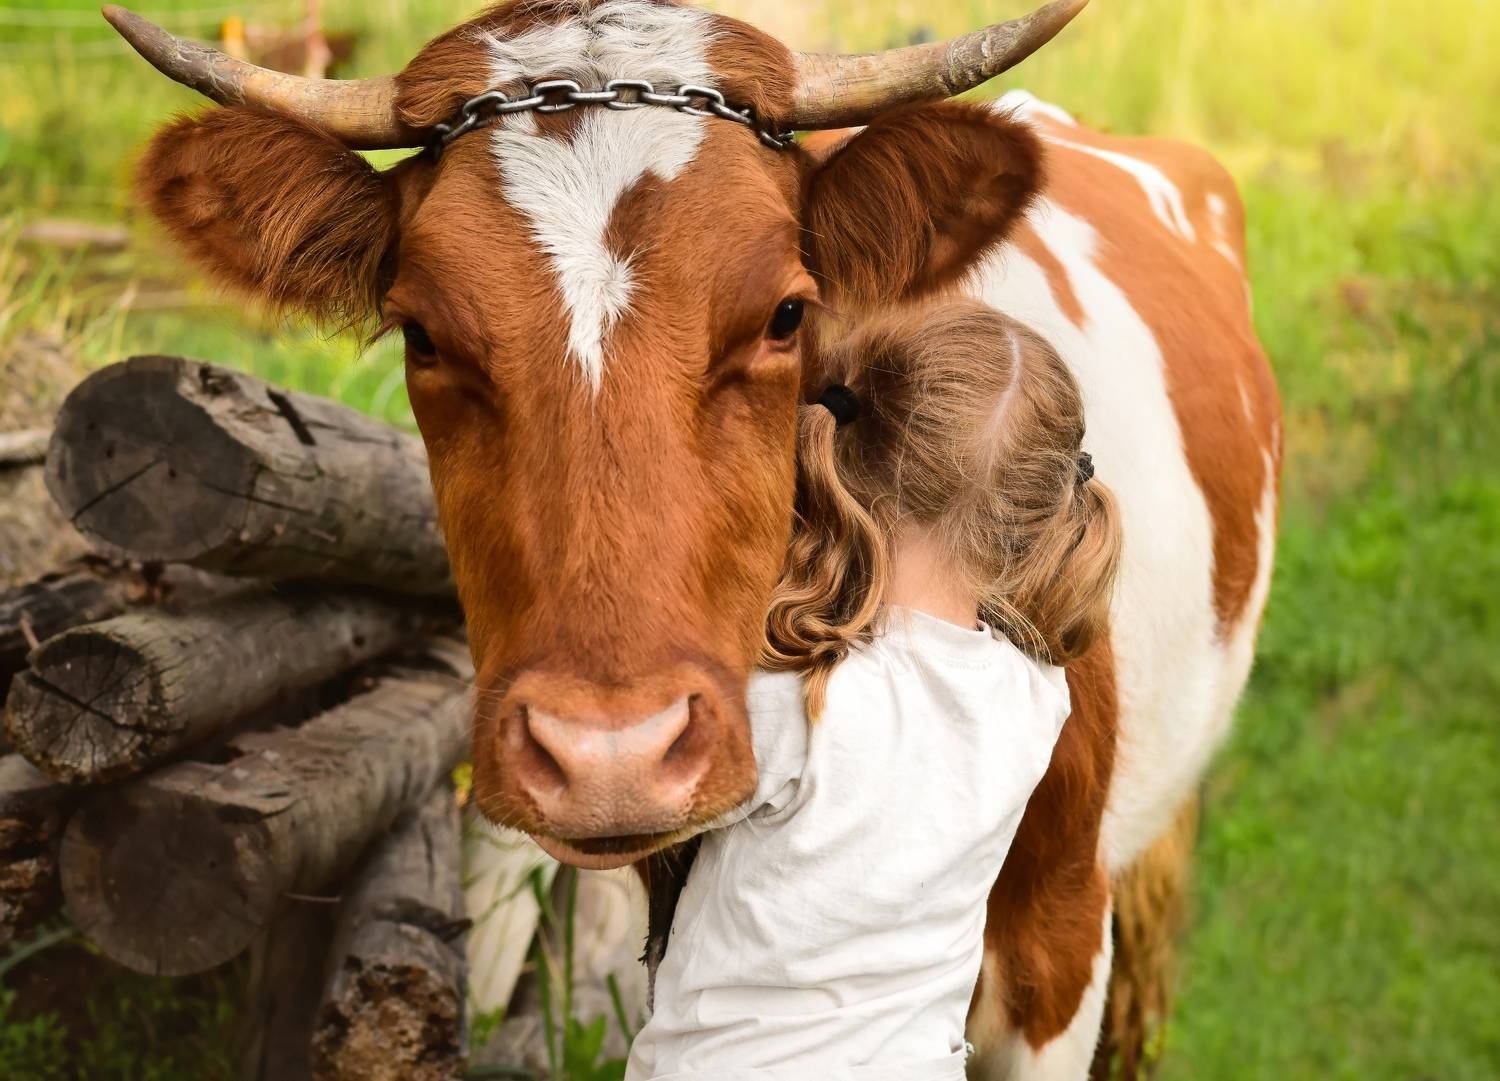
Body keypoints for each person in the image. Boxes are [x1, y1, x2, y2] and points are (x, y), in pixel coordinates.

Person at [625, 299, 1123, 1081]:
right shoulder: (1036, 697)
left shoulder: (799, 699)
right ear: (1031, 516)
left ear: (851, 454)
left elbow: (630, 807)